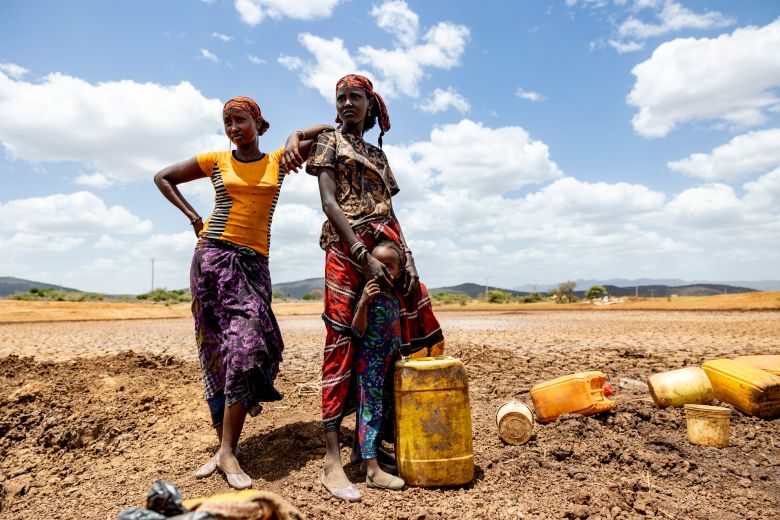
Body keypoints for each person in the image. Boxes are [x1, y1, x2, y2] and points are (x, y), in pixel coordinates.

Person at [154, 96, 331, 490]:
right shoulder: (215, 160)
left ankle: (226, 450)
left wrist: (293, 137)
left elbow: (327, 133)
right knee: (217, 350)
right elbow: (162, 177)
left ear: (257, 122)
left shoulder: (278, 161)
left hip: (254, 265)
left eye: (240, 120)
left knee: (246, 345)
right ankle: (226, 450)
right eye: (227, 122)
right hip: (212, 259)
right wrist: (194, 217)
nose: (233, 128)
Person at [301, 74, 444, 501]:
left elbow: (390, 211)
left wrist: (408, 255)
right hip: (347, 251)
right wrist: (361, 255)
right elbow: (329, 203)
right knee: (342, 341)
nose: (347, 103)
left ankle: (373, 445)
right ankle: (332, 458)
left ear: (370, 105)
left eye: (355, 97)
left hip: (387, 252)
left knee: (388, 342)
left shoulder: (379, 155)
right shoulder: (328, 141)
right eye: (340, 97)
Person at [351, 241, 406, 491]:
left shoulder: (394, 296)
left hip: (388, 365)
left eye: (389, 266)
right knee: (370, 412)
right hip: (370, 366)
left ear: (399, 271)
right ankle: (373, 472)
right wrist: (363, 302)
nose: (382, 270)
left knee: (383, 411)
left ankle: (368, 461)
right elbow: (357, 330)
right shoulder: (368, 293)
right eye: (377, 264)